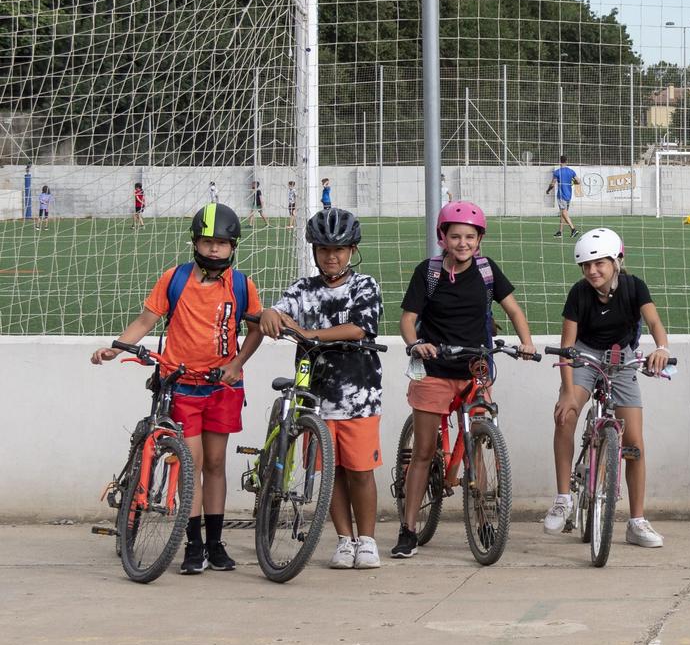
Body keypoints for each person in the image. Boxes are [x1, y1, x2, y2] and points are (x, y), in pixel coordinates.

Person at [91, 204, 263, 575]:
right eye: (207, 241)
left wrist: (236, 365)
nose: (214, 249)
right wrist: (116, 347)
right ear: (195, 243)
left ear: (233, 246)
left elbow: (255, 330)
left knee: (215, 464)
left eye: (221, 243)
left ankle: (215, 543)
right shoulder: (175, 278)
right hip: (182, 386)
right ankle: (193, 544)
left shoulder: (241, 285)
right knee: (192, 465)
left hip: (222, 387)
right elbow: (146, 320)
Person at [395, 200, 539, 559]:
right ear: (443, 238)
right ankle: (408, 529)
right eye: (456, 236)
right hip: (435, 369)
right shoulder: (428, 273)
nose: (463, 243)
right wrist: (416, 344)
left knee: (479, 442)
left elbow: (513, 309)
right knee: (423, 452)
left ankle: (483, 519)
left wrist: (526, 342)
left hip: (476, 368)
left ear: (479, 240)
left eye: (470, 237)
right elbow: (408, 319)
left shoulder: (487, 271)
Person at [258, 208, 385, 570]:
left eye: (339, 249)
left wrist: (308, 333)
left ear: (352, 250)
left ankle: (367, 540)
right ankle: (345, 539)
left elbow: (359, 328)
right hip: (314, 398)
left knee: (360, 471)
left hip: (357, 397)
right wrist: (270, 313)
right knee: (331, 472)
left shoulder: (364, 286)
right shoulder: (303, 289)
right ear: (314, 251)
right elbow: (280, 311)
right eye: (324, 249)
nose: (332, 256)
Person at [544, 227, 673, 548]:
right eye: (586, 265)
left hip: (621, 356)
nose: (592, 271)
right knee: (565, 416)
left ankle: (637, 521)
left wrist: (662, 348)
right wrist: (567, 392)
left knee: (635, 443)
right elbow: (567, 346)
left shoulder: (634, 286)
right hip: (584, 354)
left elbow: (654, 322)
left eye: (599, 263)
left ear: (617, 261)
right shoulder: (579, 293)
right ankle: (563, 498)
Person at [548, 158, 579, 238]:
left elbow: (552, 184)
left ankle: (573, 229)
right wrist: (573, 182)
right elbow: (578, 181)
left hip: (561, 195)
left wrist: (548, 190)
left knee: (564, 213)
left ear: (560, 162)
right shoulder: (571, 171)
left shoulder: (557, 172)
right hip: (569, 195)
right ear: (566, 161)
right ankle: (560, 232)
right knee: (563, 214)